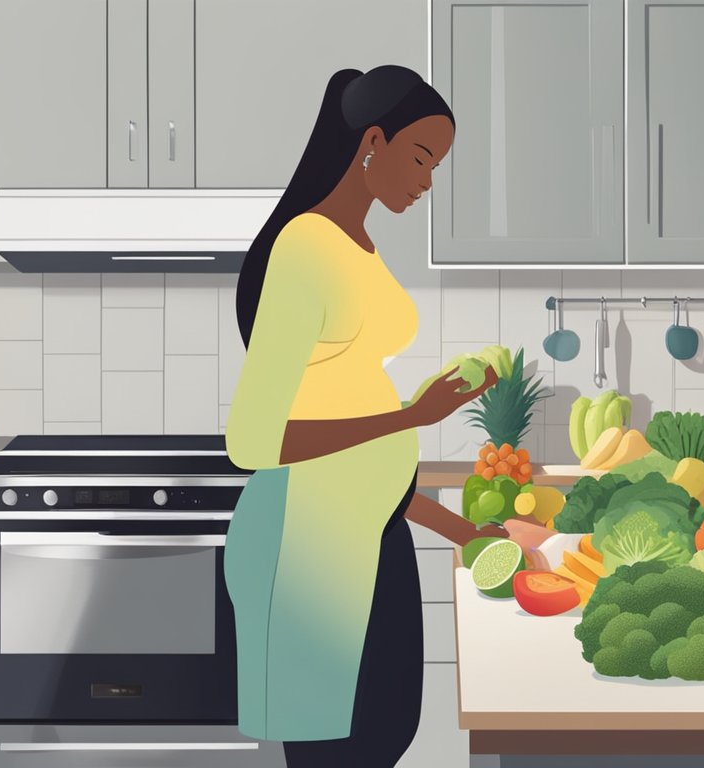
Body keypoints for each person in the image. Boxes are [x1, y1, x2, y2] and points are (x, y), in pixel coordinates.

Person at [224, 64, 504, 767]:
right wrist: (410, 418)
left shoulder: (359, 246)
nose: (428, 181)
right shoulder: (304, 248)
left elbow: (355, 456)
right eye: (420, 158)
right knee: (338, 747)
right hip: (305, 551)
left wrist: (461, 531)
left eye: (435, 165)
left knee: (384, 734)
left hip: (368, 533)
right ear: (372, 142)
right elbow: (253, 440)